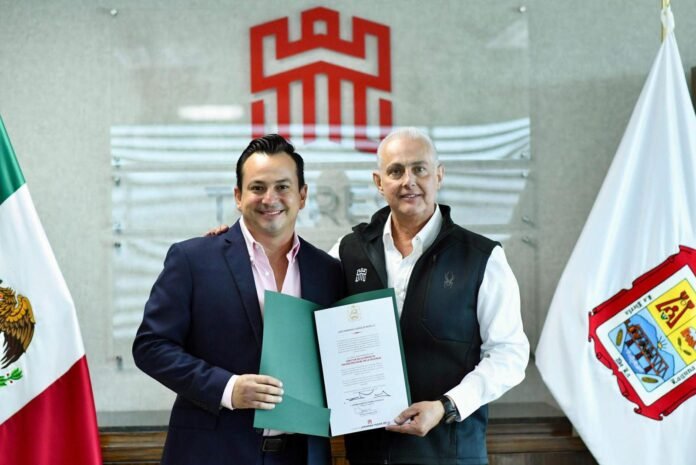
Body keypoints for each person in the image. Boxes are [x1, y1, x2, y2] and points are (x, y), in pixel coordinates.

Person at [132, 134, 342, 465]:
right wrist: (228, 388)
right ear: (238, 197)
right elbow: (151, 347)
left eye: (283, 187)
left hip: (303, 455)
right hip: (212, 453)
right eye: (257, 187)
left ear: (302, 196)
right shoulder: (193, 259)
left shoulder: (328, 271)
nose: (270, 198)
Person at [331, 127, 529, 465]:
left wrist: (446, 406)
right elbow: (314, 324)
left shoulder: (481, 257)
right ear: (379, 182)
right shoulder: (347, 251)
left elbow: (509, 354)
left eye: (419, 169)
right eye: (396, 171)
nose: (408, 181)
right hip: (369, 453)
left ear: (439, 175)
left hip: (450, 451)